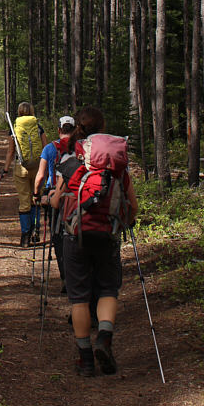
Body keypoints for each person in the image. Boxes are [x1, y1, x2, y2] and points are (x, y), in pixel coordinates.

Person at [50, 106, 137, 377]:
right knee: (108, 290)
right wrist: (125, 222)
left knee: (79, 298)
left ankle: (86, 359)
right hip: (108, 236)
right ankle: (105, 338)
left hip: (75, 237)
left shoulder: (71, 160)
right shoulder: (117, 165)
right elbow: (132, 206)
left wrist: (51, 197)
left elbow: (56, 201)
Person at [0, 102, 47, 247]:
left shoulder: (15, 129)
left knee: (24, 202)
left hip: (21, 169)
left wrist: (5, 170)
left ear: (19, 112)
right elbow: (46, 147)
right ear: (31, 111)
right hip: (37, 169)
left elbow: (11, 151)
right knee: (35, 199)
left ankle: (25, 235)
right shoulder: (38, 127)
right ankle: (36, 231)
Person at [33, 115, 75, 288]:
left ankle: (65, 278)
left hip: (53, 196)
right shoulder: (81, 148)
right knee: (73, 235)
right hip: (75, 197)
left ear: (59, 130)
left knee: (58, 238)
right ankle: (77, 276)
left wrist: (36, 193)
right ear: (74, 130)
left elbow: (41, 175)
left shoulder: (50, 148)